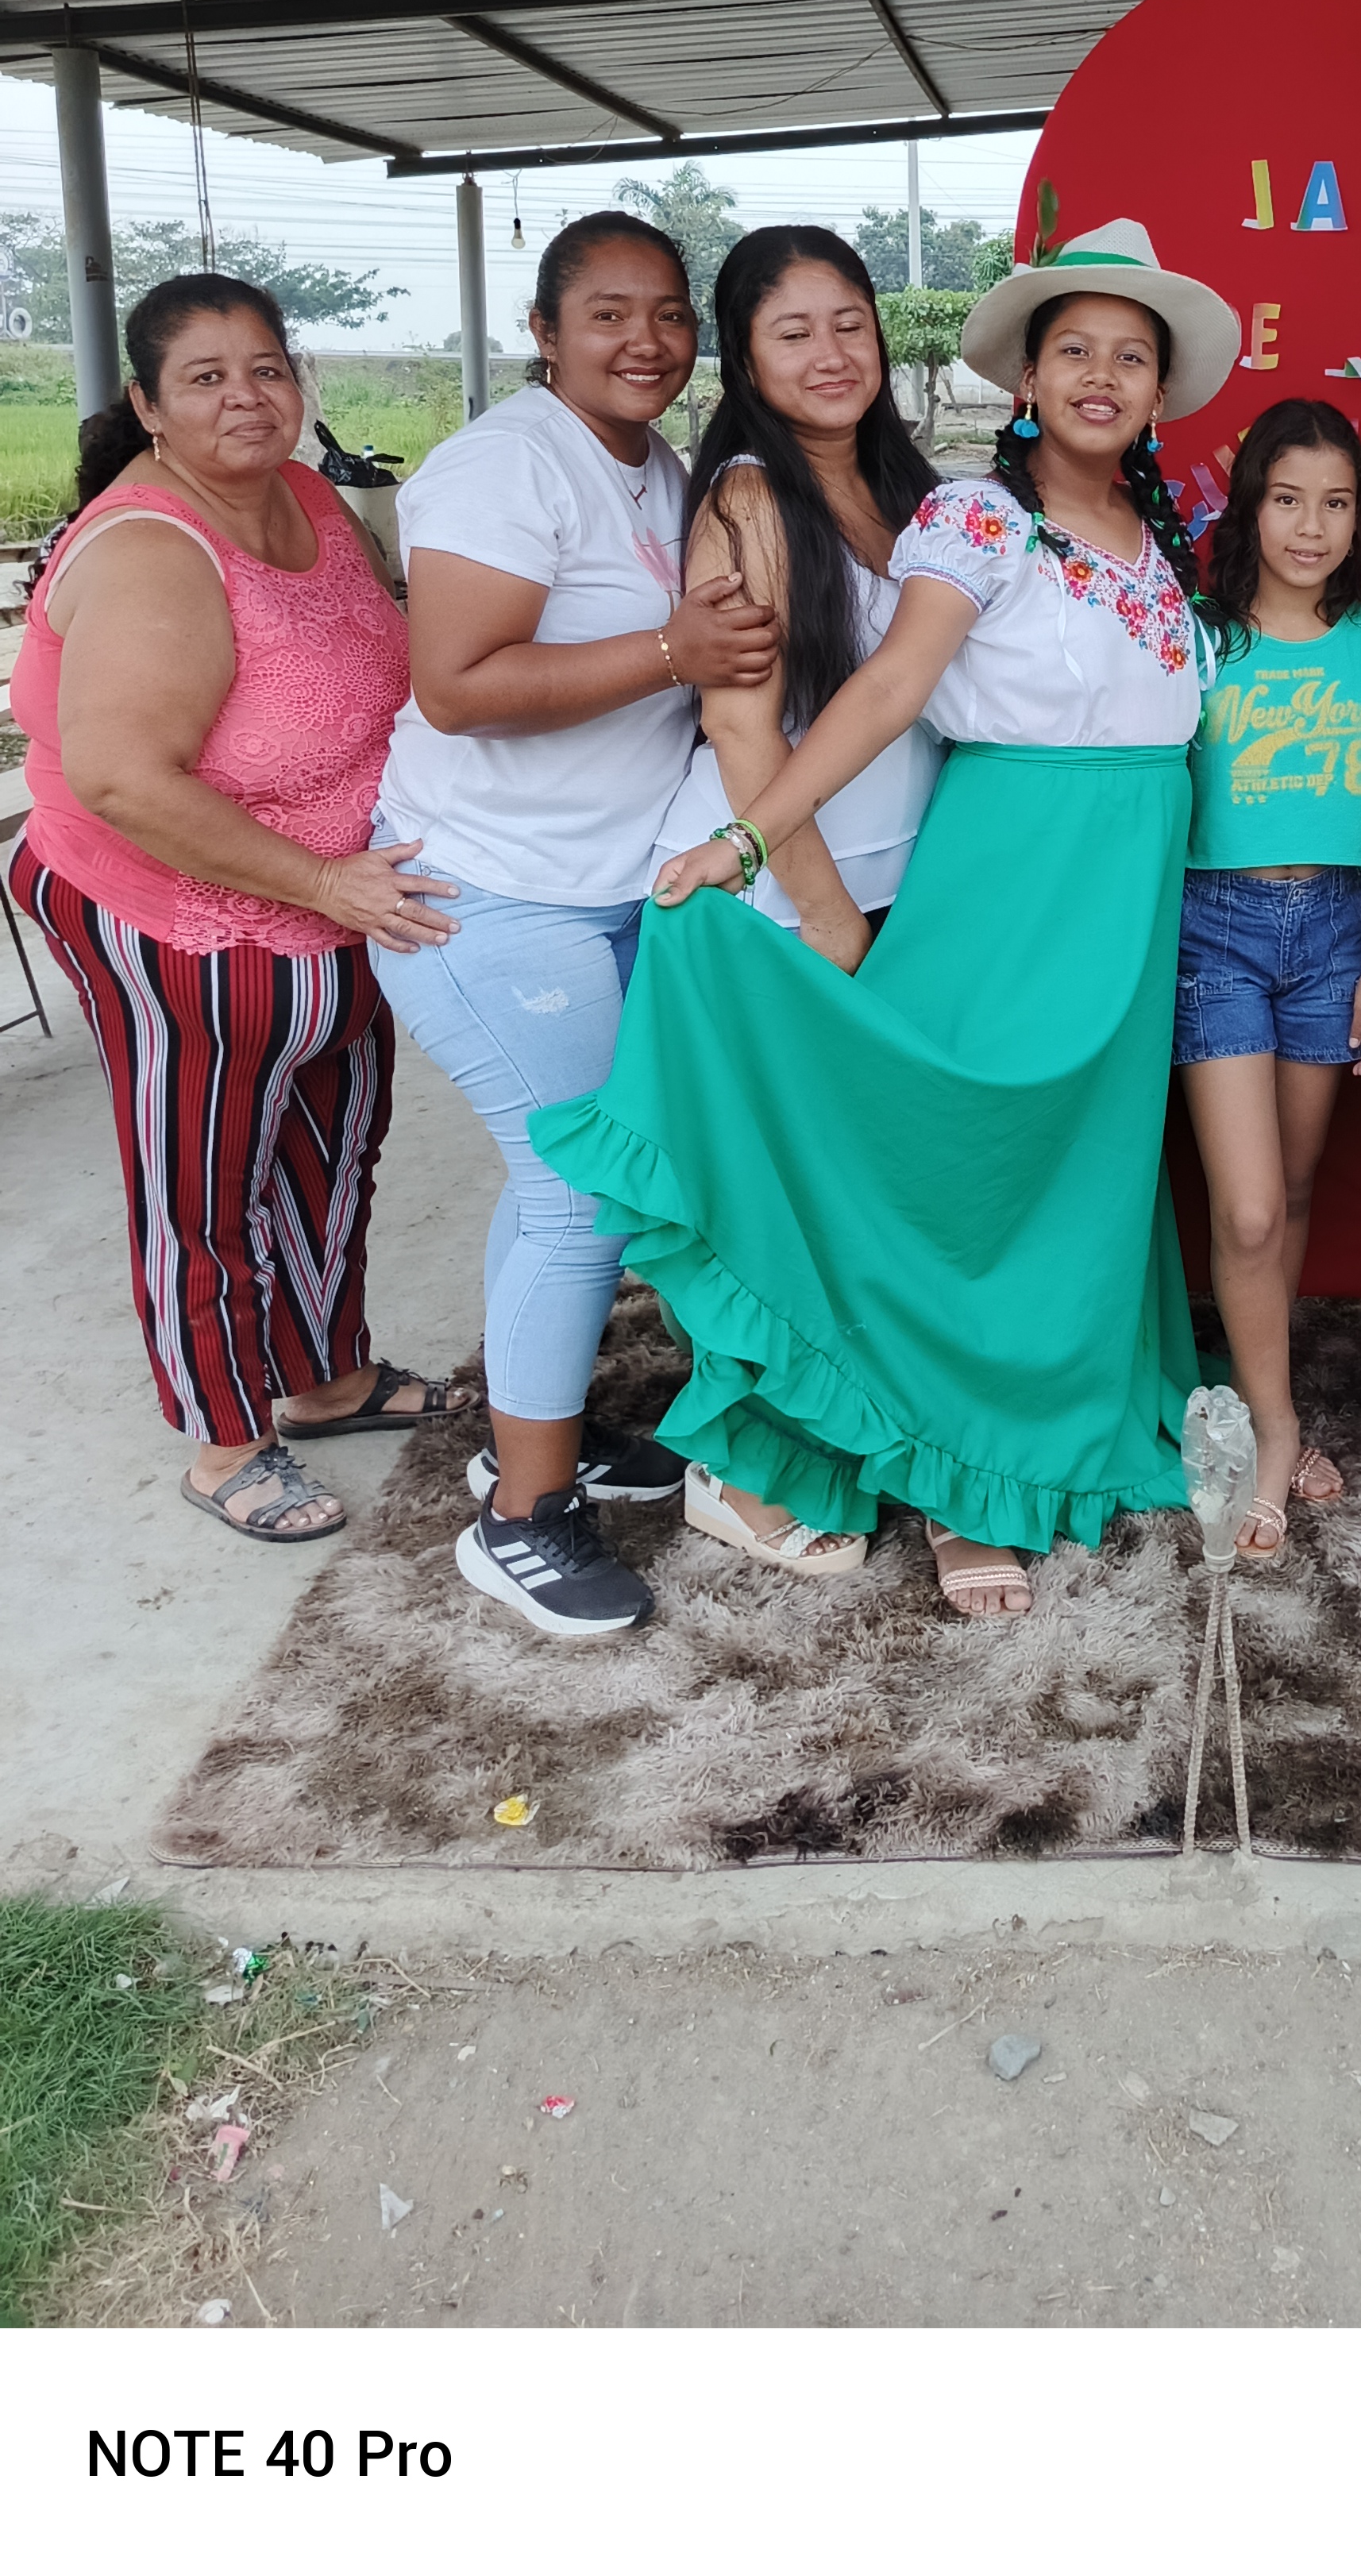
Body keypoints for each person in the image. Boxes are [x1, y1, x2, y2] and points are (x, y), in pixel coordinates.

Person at [533, 221, 1238, 1622]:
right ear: (1025, 378)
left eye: (1132, 357)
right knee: (961, 1181)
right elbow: (883, 690)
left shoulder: (1132, 533)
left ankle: (1039, 1424)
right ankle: (954, 1487)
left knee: (1073, 1182)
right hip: (992, 881)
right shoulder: (966, 514)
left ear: (1162, 391)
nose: (1103, 376)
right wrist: (754, 842)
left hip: (1112, 901)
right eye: (1075, 350)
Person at [371, 214, 777, 1641]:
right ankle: (522, 1521)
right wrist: (672, 651)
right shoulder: (505, 465)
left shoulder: (660, 467)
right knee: (583, 1193)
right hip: (489, 893)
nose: (645, 341)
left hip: (608, 888)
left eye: (668, 313)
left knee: (562, 1180)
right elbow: (457, 685)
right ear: (545, 332)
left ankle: (528, 1434)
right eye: (608, 313)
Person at [9, 275, 444, 1543]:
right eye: (205, 378)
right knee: (204, 1180)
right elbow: (122, 779)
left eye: (267, 368)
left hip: (334, 901)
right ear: (148, 406)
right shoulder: (152, 550)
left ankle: (327, 1379)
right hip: (178, 910)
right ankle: (224, 1439)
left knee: (334, 1143)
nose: (247, 397)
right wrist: (323, 879)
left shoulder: (306, 492)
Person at [653, 224, 944, 1578]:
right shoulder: (752, 500)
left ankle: (839, 1436)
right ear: (745, 357)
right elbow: (741, 728)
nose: (832, 354)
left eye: (850, 323)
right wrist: (828, 918)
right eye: (793, 332)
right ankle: (731, 1473)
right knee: (764, 1202)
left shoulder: (902, 486)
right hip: (774, 905)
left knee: (848, 1196)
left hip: (883, 890)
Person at [1178, 396, 1361, 1567]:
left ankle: (1279, 1403)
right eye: (1288, 499)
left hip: (1334, 933)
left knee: (1298, 1189)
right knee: (1250, 1205)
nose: (1311, 527)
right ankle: (1272, 1432)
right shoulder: (1202, 636)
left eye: (1336, 502)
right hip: (1214, 929)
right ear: (1250, 507)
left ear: (1360, 516)